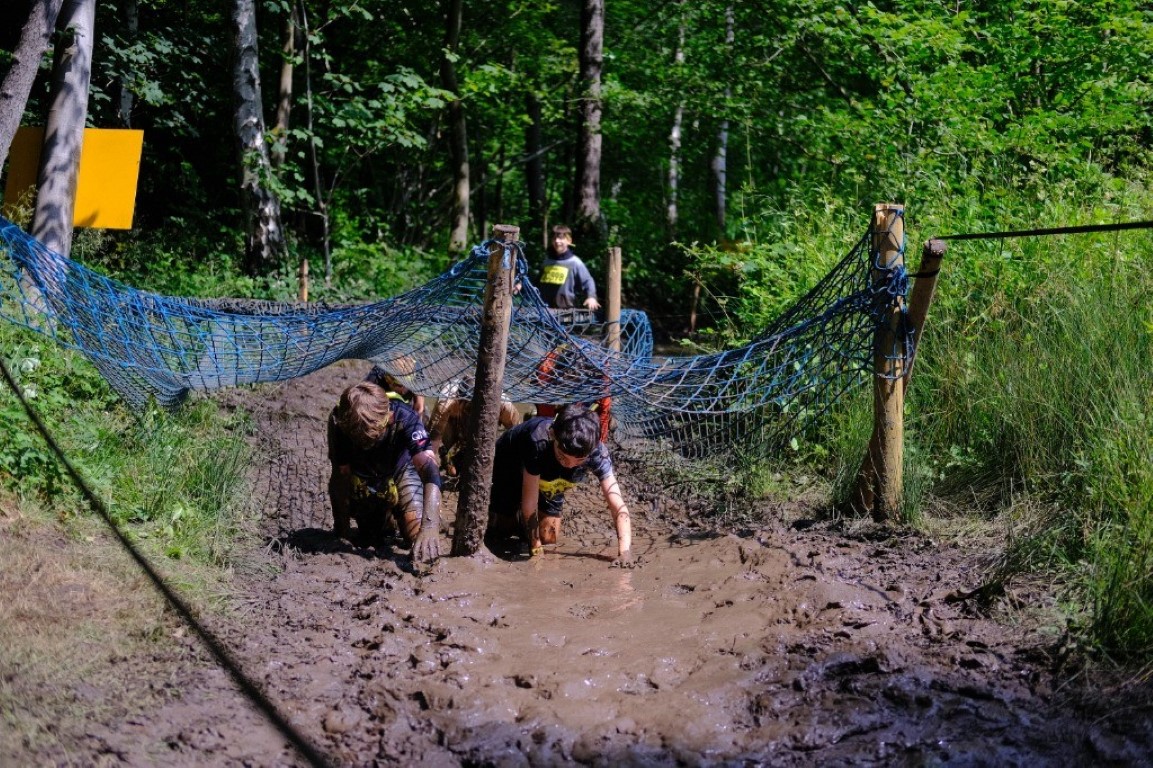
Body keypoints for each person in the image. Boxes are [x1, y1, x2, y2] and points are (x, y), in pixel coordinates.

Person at [487, 403, 633, 566]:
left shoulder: (598, 453)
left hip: (550, 475)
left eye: (579, 460)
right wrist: (535, 548)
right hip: (511, 462)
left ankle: (523, 525)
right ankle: (510, 517)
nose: (569, 465)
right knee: (503, 532)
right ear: (553, 435)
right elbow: (530, 504)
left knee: (548, 537)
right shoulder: (538, 440)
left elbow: (617, 506)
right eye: (563, 457)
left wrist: (625, 552)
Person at [327, 381, 442, 564]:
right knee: (372, 535)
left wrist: (430, 524)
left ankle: (401, 512)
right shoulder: (339, 422)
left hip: (400, 468)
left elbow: (430, 469)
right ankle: (386, 514)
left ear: (388, 417)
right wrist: (342, 532)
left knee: (416, 533)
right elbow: (341, 475)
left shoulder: (404, 417)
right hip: (362, 475)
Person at [539, 224, 600, 311]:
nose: (557, 241)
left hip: (566, 311)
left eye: (561, 238)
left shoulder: (575, 262)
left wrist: (591, 297)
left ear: (569, 241)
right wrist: (521, 285)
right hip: (544, 310)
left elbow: (588, 281)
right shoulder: (547, 262)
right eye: (554, 238)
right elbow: (536, 283)